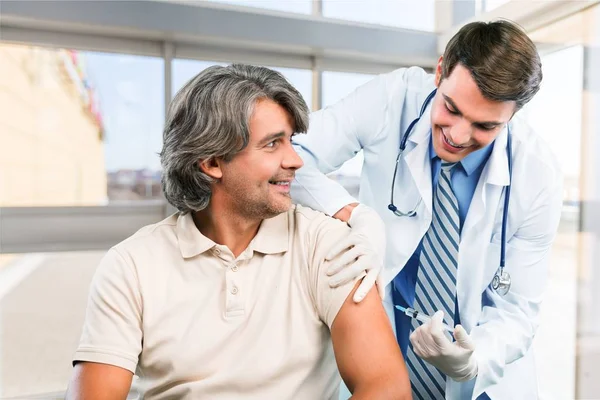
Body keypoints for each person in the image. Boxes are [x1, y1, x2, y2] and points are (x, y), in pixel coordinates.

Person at [66, 64, 411, 400]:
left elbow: (388, 388)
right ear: (212, 162)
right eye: (273, 144)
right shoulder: (131, 266)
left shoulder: (325, 244)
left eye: (290, 140)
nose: (296, 160)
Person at [291, 20, 563, 400]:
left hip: (483, 382)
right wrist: (354, 214)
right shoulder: (392, 99)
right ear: (439, 71)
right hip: (387, 357)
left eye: (484, 125)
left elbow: (517, 311)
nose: (458, 135)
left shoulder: (537, 176)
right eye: (451, 108)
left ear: (512, 116)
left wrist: (472, 360)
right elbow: (293, 156)